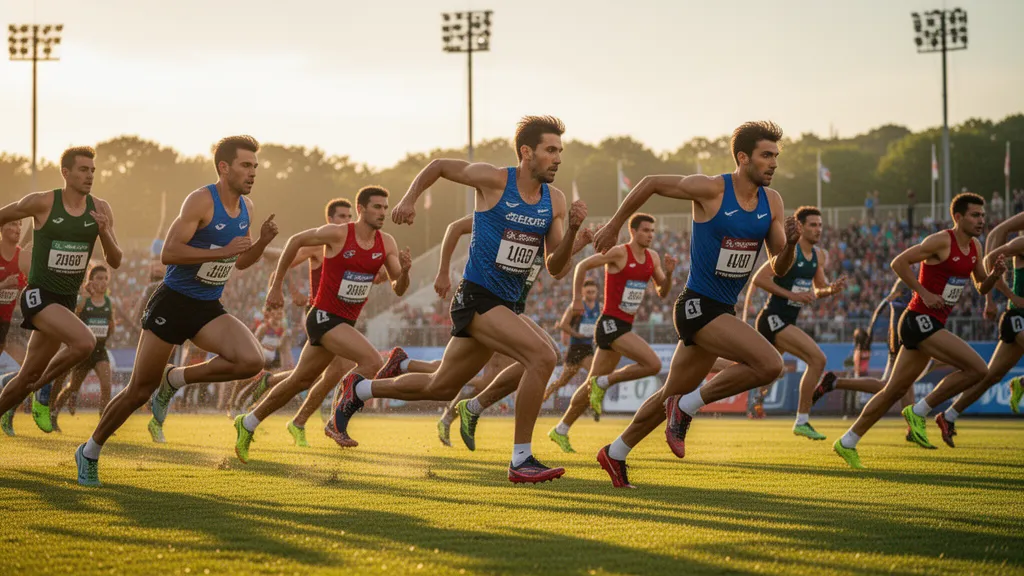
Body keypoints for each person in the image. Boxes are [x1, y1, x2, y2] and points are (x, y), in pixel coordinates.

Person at [332, 116, 587, 483]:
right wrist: (409, 198)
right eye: (550, 150)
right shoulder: (494, 180)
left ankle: (360, 388)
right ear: (526, 152)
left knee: (442, 386)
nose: (558, 157)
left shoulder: (556, 201)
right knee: (543, 356)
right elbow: (439, 166)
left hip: (508, 304)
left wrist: (575, 230)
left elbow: (556, 266)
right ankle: (521, 459)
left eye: (560, 151)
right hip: (478, 298)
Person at [591, 121, 799, 488]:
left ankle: (616, 452)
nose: (773, 163)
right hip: (697, 306)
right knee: (770, 364)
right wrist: (612, 226)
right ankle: (686, 408)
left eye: (776, 157)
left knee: (665, 396)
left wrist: (793, 245)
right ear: (742, 157)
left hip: (722, 309)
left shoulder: (773, 202)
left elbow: (779, 262)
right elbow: (652, 181)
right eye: (766, 155)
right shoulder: (712, 189)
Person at [76, 135, 278, 486]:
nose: (253, 173)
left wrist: (261, 242)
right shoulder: (201, 200)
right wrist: (222, 250)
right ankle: (90, 450)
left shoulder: (247, 209)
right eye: (246, 165)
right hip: (173, 301)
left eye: (255, 167)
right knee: (139, 389)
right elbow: (169, 253)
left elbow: (241, 261)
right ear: (224, 167)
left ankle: (176, 379)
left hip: (207, 305)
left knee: (252, 360)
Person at [233, 186, 412, 462]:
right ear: (361, 209)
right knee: (372, 361)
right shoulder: (339, 234)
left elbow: (398, 287)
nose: (383, 213)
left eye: (386, 208)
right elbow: (294, 240)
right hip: (323, 317)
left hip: (344, 323)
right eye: (377, 207)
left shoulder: (387, 243)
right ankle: (336, 419)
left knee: (299, 380)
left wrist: (406, 272)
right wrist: (277, 285)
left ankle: (248, 422)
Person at [833, 193, 1004, 469]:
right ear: (958, 218)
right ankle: (921, 411)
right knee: (979, 370)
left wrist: (995, 274)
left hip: (931, 324)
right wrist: (922, 292)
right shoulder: (940, 241)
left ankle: (848, 441)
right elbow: (898, 262)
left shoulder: (975, 247)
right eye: (975, 215)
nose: (981, 220)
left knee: (891, 391)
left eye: (983, 216)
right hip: (917, 320)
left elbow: (982, 286)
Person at [428, 212, 593, 449]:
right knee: (493, 374)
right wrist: (443, 271)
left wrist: (580, 241)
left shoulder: (542, 235)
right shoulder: (503, 214)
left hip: (512, 309)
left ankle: (463, 406)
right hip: (493, 307)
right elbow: (455, 226)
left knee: (545, 357)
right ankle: (460, 410)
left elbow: (555, 263)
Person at [0, 146, 122, 436]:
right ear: (65, 173)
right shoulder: (42, 203)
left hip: (66, 302)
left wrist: (104, 231)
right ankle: (43, 390)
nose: (89, 175)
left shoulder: (101, 208)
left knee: (25, 376)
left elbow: (115, 260)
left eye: (92, 170)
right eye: (83, 169)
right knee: (84, 342)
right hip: (39, 296)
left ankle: (32, 388)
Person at [548, 213, 675, 453]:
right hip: (609, 324)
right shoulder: (619, 253)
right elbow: (583, 265)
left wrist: (667, 274)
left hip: (624, 325)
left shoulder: (653, 258)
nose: (650, 235)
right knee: (653, 364)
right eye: (646, 230)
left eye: (652, 231)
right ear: (633, 232)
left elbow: (663, 292)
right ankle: (604, 382)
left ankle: (561, 429)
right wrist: (576, 299)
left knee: (588, 387)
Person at [917, 210, 1024, 442]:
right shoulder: (1021, 243)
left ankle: (949, 415)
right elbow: (990, 260)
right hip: (1018, 316)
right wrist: (1007, 295)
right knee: (985, 373)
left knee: (990, 375)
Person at [743, 206, 847, 440]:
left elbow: (818, 289)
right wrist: (793, 296)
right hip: (773, 318)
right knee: (817, 359)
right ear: (800, 227)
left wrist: (831, 290)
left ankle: (706, 371)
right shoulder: (789, 251)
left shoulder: (819, 255)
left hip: (787, 319)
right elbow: (759, 279)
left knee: (764, 370)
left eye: (820, 225)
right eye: (812, 225)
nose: (818, 229)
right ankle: (802, 421)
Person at [48, 266, 117, 432]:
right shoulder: (83, 300)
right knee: (72, 387)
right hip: (83, 351)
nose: (103, 282)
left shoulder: (108, 302)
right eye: (99, 278)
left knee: (107, 385)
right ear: (91, 280)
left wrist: (109, 330)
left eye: (105, 278)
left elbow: (111, 324)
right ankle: (53, 415)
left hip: (100, 350)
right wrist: (81, 303)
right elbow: (73, 319)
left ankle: (104, 423)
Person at [544, 279, 601, 403]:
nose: (591, 294)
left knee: (595, 375)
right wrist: (577, 334)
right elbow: (564, 324)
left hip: (588, 348)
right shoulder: (576, 307)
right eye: (588, 292)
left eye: (593, 292)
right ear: (583, 293)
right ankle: (545, 395)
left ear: (597, 293)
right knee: (563, 382)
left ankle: (588, 402)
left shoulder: (600, 308)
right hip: (576, 348)